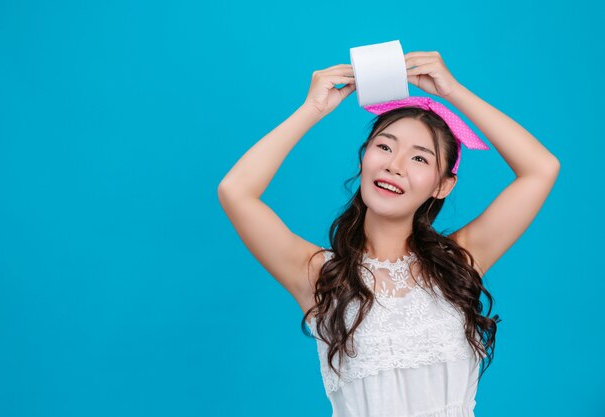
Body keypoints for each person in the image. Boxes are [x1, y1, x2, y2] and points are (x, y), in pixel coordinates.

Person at [217, 51, 560, 417]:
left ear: (442, 186)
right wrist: (312, 110)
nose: (394, 166)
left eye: (419, 158)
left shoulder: (459, 261)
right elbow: (236, 191)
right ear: (364, 158)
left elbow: (541, 168)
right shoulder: (321, 275)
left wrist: (453, 91)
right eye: (384, 146)